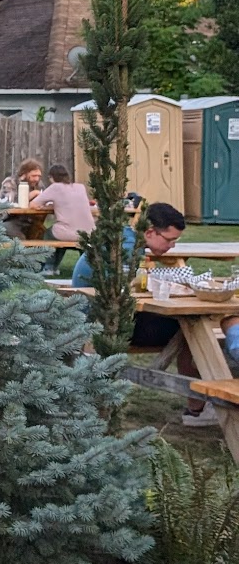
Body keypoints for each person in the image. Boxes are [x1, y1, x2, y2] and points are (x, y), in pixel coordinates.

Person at [71, 201, 237, 427]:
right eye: (169, 240)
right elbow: (127, 291)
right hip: (104, 323)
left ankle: (198, 407)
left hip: (100, 316)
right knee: (192, 324)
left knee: (190, 324)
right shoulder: (126, 251)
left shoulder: (125, 239)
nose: (171, 247)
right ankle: (198, 408)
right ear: (150, 232)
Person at [33, 163, 95, 244]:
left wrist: (34, 194)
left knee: (49, 234)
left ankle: (49, 257)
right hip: (90, 232)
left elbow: (33, 204)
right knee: (59, 235)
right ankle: (83, 256)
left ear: (52, 177)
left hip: (69, 233)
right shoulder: (80, 187)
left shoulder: (55, 187)